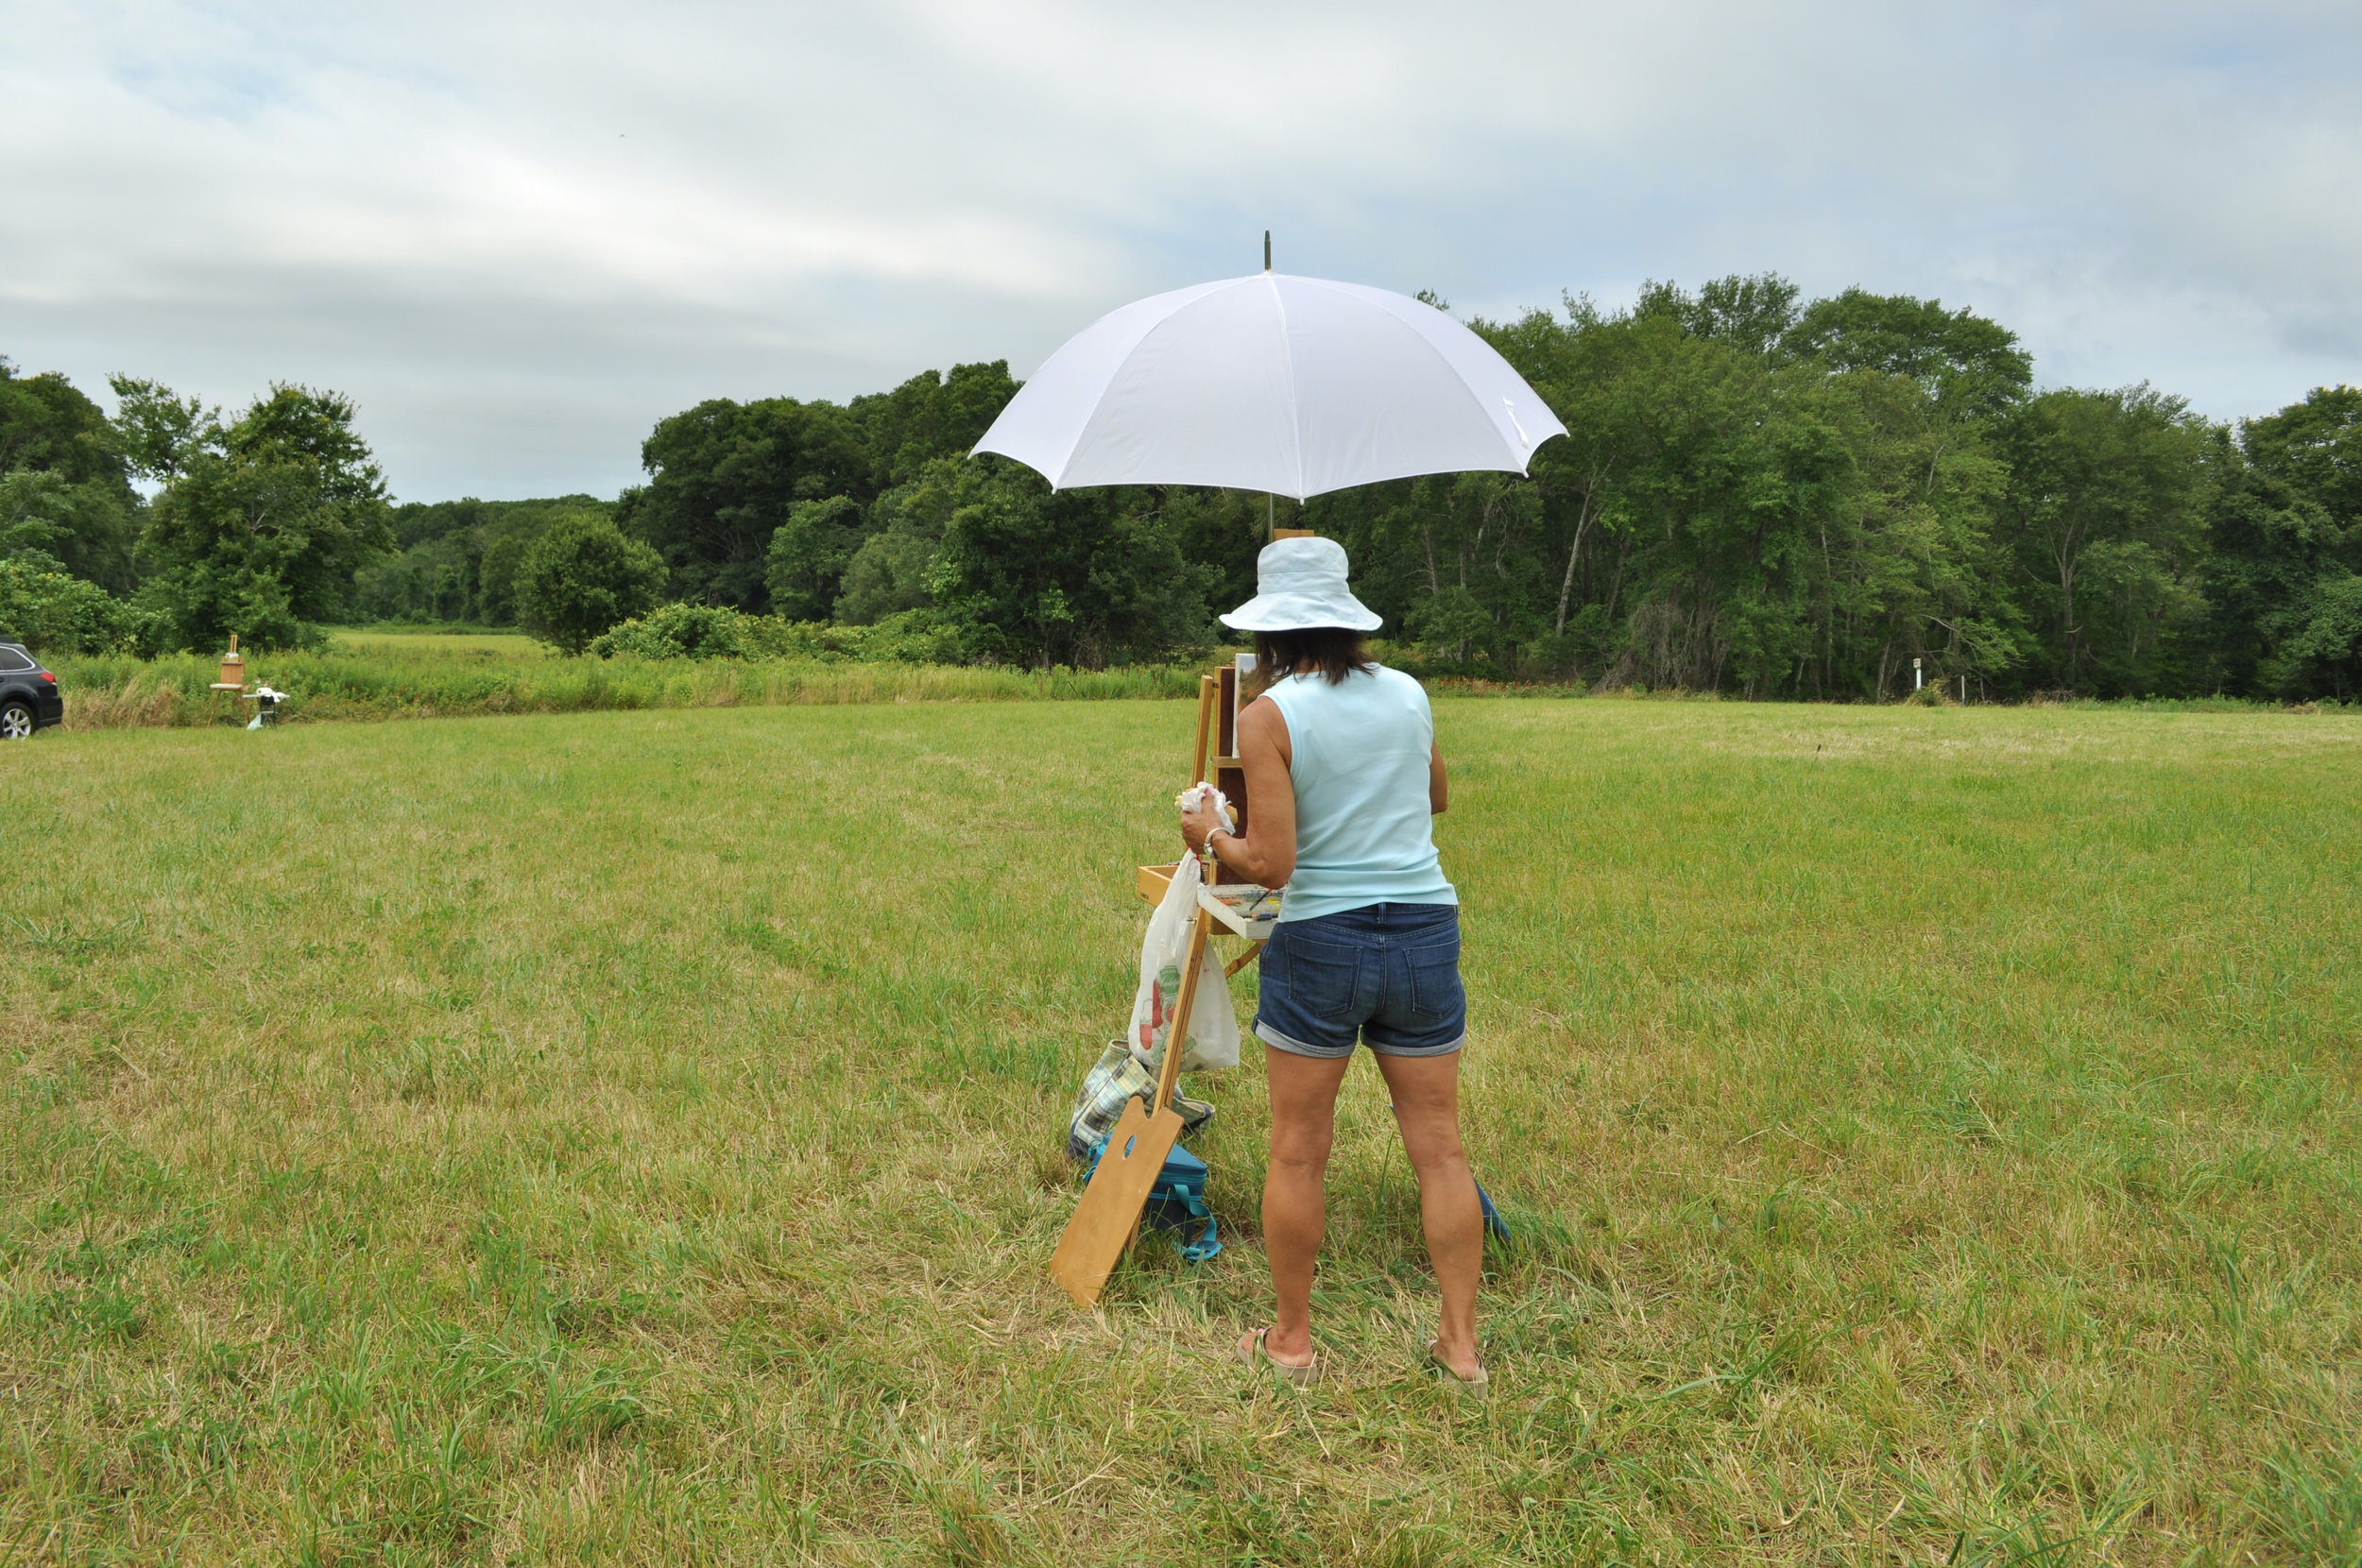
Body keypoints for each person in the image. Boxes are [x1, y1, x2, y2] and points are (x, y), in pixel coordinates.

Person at [1180, 536, 1486, 1392]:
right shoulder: (1410, 693)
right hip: (1425, 930)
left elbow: (1269, 865)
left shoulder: (1269, 714)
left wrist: (1208, 831)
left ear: (1272, 634)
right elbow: (1434, 798)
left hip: (1323, 941)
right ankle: (1461, 1350)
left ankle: (1291, 1341)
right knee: (1442, 1152)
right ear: (1346, 616)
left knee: (1298, 1154)